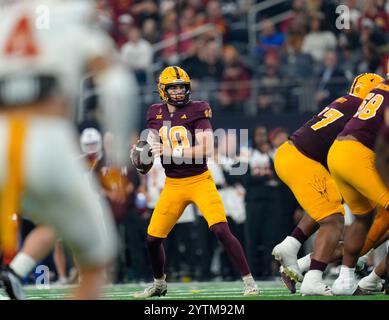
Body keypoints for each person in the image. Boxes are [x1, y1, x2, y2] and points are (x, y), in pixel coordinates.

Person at [0, 0, 138, 300]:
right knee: (96, 260)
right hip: (47, 138)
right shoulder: (70, 18)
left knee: (52, 221)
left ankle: (15, 271)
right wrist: (116, 165)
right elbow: (118, 88)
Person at [132, 66, 258, 298]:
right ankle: (159, 283)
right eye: (174, 87)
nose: (179, 91)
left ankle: (249, 281)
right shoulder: (154, 111)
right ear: (163, 90)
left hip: (199, 180)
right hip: (173, 184)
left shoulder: (198, 109)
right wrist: (144, 149)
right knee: (152, 239)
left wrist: (172, 151)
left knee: (221, 230)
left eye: (182, 87)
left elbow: (206, 149)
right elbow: (151, 136)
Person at [272, 73, 384, 295]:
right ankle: (314, 278)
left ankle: (291, 245)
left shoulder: (345, 101)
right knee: (334, 221)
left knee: (332, 201)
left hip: (294, 154)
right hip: (304, 159)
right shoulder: (361, 109)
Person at [327, 72, 389, 295]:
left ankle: (345, 280)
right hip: (358, 155)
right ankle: (373, 277)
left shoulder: (379, 89)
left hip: (338, 152)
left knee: (362, 220)